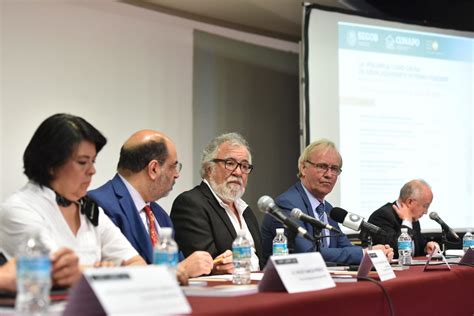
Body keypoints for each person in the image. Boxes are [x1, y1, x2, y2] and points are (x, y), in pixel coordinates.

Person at [0, 113, 146, 288]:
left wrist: (94, 272)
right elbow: (57, 274)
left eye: (93, 161)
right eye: (83, 162)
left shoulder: (91, 209)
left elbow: (137, 263)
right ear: (51, 164)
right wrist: (108, 271)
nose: (92, 170)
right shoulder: (19, 208)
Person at [88, 130, 217, 277]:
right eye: (173, 166)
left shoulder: (160, 216)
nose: (177, 174)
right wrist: (181, 269)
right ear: (153, 169)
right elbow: (119, 272)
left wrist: (210, 267)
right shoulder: (99, 205)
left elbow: (180, 268)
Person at [261, 139, 393, 266]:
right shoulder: (287, 204)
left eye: (334, 169)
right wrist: (363, 254)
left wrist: (374, 253)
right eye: (322, 166)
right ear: (303, 168)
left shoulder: (328, 209)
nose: (329, 174)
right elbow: (307, 253)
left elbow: (344, 246)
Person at [170, 132, 263, 273]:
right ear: (209, 169)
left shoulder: (246, 210)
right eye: (230, 163)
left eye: (244, 166)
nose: (238, 172)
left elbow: (261, 261)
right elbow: (205, 264)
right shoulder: (190, 204)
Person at [366, 179, 439, 258]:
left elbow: (415, 248)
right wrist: (406, 221)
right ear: (410, 201)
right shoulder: (381, 216)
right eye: (425, 206)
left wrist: (426, 247)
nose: (426, 212)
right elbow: (396, 252)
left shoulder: (413, 219)